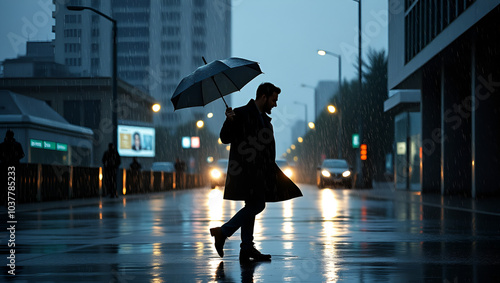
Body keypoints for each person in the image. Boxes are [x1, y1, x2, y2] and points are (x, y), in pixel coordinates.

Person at [209, 82, 302, 262]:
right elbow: (225, 138)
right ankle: (224, 232)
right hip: (246, 172)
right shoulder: (241, 113)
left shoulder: (264, 119)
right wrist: (229, 121)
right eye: (273, 100)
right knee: (257, 205)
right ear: (263, 97)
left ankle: (246, 247)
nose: (275, 104)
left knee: (252, 206)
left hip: (260, 172)